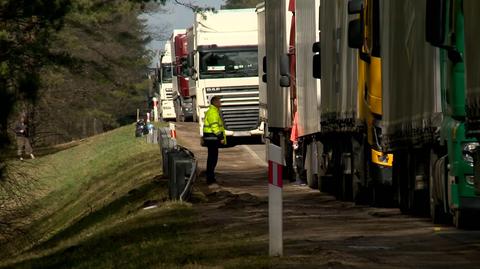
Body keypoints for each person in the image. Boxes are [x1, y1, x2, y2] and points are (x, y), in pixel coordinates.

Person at [202, 96, 226, 185]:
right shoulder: (213, 112)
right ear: (215, 103)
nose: (220, 103)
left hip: (211, 138)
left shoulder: (213, 111)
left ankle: (211, 177)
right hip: (212, 138)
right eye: (219, 102)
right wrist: (221, 137)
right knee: (212, 159)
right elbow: (214, 127)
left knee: (212, 158)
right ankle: (210, 178)